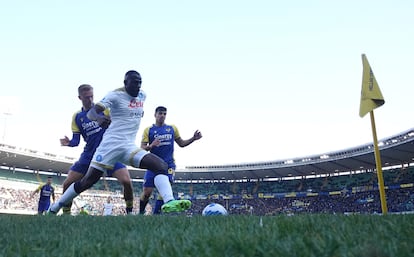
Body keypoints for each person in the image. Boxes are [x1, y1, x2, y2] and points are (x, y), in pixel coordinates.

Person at [49, 70, 191, 214]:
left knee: (161, 166)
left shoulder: (142, 95)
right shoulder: (115, 95)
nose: (138, 86)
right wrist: (98, 118)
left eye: (140, 83)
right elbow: (92, 112)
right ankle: (55, 208)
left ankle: (169, 202)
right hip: (109, 147)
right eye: (134, 83)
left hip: (129, 147)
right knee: (87, 181)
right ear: (125, 83)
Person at [59, 84, 134, 215]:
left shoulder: (103, 109)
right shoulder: (77, 117)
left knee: (127, 181)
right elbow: (76, 141)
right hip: (89, 155)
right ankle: (66, 213)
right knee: (67, 184)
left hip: (109, 152)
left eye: (91, 96)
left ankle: (130, 211)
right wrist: (69, 143)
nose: (90, 99)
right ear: (79, 98)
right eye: (86, 97)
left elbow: (116, 124)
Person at [139, 106, 202, 214]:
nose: (162, 116)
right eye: (160, 113)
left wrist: (193, 139)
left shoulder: (172, 128)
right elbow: (142, 149)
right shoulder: (148, 130)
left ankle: (156, 214)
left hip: (168, 165)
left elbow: (181, 143)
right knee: (147, 193)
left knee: (164, 188)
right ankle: (140, 212)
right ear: (155, 115)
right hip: (153, 164)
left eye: (164, 114)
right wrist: (151, 146)